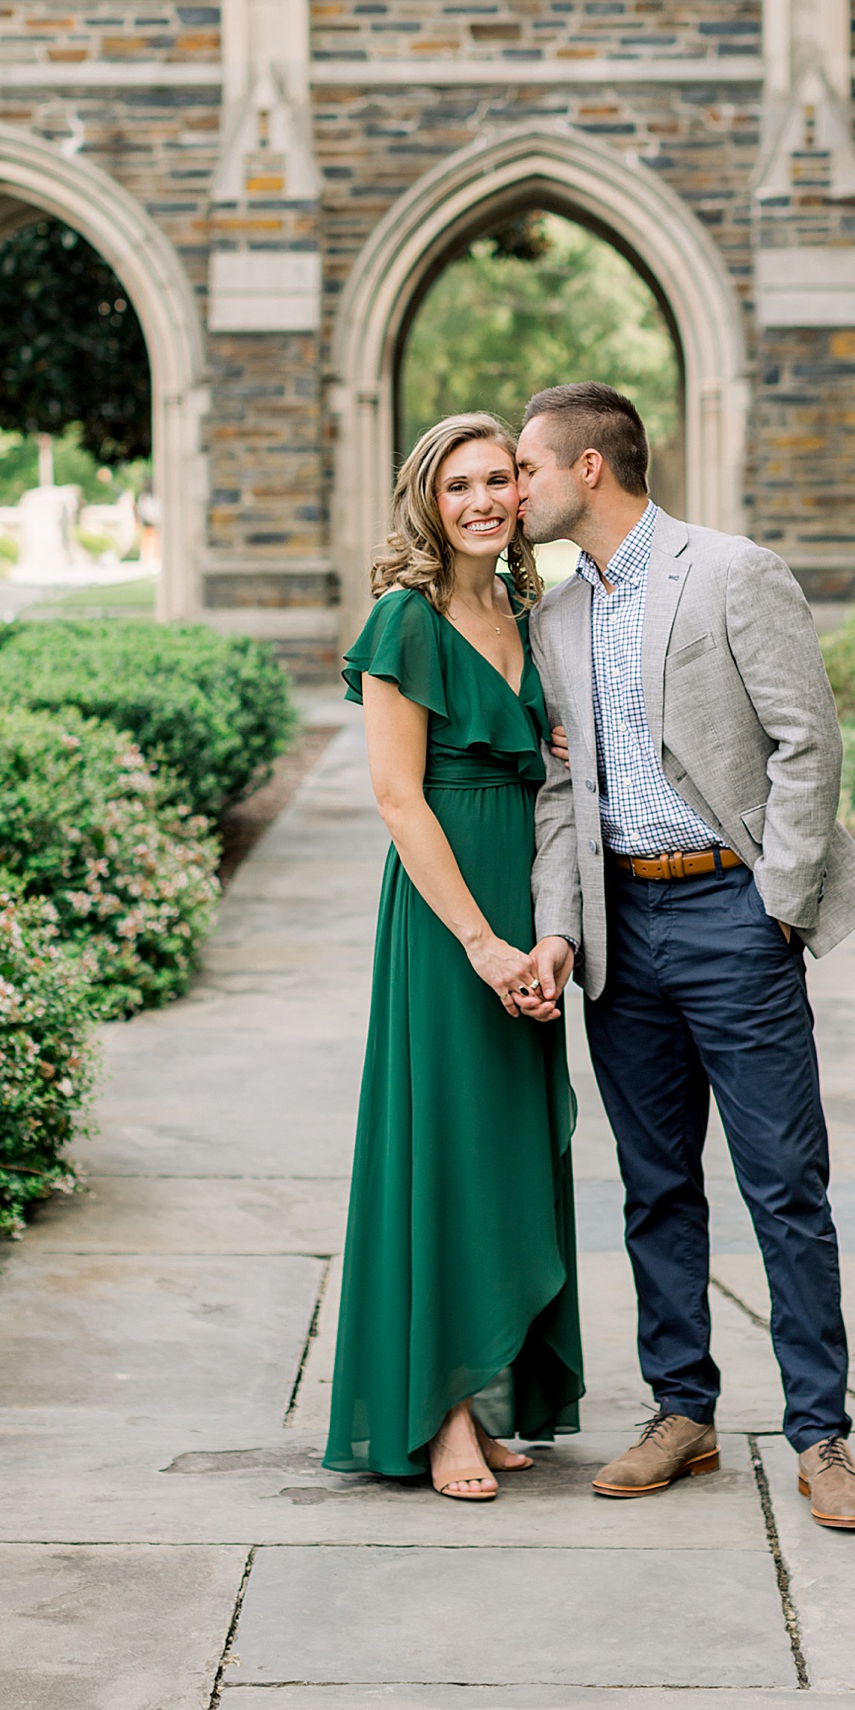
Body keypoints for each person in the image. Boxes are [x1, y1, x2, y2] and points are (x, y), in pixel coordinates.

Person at [514, 382, 855, 1531]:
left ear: (588, 467)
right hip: (622, 934)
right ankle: (683, 1414)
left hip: (733, 916)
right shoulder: (557, 617)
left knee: (785, 1185)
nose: (514, 488)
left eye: (526, 466)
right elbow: (564, 790)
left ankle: (821, 1436)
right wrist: (564, 922)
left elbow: (805, 739)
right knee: (655, 1185)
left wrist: (776, 901)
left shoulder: (730, 570)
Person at [324, 412, 583, 1500]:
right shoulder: (406, 618)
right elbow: (396, 794)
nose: (484, 499)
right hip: (448, 920)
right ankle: (441, 1417)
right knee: (446, 1147)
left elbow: (544, 757)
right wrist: (479, 940)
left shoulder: (525, 609)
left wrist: (546, 929)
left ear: (523, 497)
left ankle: (488, 1380)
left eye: (499, 480)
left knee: (508, 1148)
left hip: (529, 909)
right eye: (460, 484)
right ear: (429, 501)